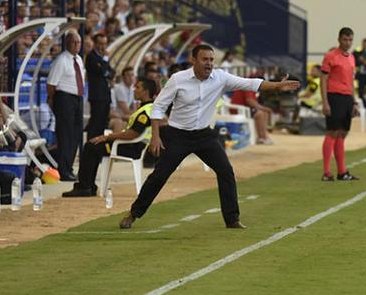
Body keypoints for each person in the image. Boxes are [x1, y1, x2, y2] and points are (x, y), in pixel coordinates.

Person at [118, 44, 300, 230]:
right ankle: (133, 214)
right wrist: (155, 136)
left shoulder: (220, 78)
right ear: (193, 60)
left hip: (204, 135)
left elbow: (251, 83)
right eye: (205, 59)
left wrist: (277, 85)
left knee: (226, 172)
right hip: (178, 135)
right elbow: (158, 107)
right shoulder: (177, 79)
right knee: (159, 176)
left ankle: (232, 220)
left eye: (211, 60)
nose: (209, 63)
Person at [63, 77, 158, 198]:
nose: (134, 89)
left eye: (138, 87)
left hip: (130, 147)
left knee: (91, 146)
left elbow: (132, 134)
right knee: (93, 146)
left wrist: (108, 137)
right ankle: (88, 186)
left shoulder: (145, 111)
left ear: (145, 91)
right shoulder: (148, 108)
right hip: (133, 146)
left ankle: (84, 187)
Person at [320, 27, 359, 182]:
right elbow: (323, 80)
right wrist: (325, 102)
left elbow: (351, 80)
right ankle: (326, 172)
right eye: (345, 39)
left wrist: (354, 101)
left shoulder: (351, 58)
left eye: (350, 40)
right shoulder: (331, 56)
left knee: (342, 133)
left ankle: (342, 172)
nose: (347, 42)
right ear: (339, 39)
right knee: (332, 132)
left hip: (347, 98)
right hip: (334, 97)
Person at [46, 31, 85, 181]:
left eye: (79, 42)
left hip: (77, 98)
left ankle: (69, 167)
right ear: (67, 43)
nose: (77, 45)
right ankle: (63, 169)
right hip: (64, 98)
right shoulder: (61, 60)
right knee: (65, 134)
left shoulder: (79, 60)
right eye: (74, 42)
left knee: (75, 134)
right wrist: (52, 100)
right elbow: (51, 84)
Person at [230, 74, 275, 144]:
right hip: (238, 110)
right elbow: (250, 101)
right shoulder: (249, 86)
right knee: (260, 114)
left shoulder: (253, 88)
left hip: (244, 109)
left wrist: (264, 109)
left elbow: (253, 102)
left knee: (264, 113)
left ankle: (263, 136)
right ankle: (261, 137)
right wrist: (264, 108)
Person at [85, 33, 114, 139]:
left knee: (103, 123)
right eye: (100, 44)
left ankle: (98, 147)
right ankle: (91, 146)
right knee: (95, 123)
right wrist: (105, 61)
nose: (103, 47)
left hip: (106, 95)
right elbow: (102, 71)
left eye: (105, 44)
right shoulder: (91, 57)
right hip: (97, 96)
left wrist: (106, 70)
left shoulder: (102, 59)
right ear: (95, 44)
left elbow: (111, 73)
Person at [109, 66, 136, 133]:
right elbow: (126, 110)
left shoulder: (132, 89)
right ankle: (115, 142)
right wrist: (136, 115)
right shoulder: (120, 88)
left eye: (132, 75)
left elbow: (135, 108)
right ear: (123, 77)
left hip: (121, 116)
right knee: (130, 120)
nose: (131, 77)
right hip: (115, 116)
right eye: (128, 75)